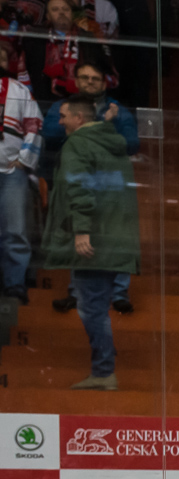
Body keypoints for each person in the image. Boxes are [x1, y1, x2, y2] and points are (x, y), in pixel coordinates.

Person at [43, 94, 137, 391]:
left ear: (79, 118)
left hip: (93, 243)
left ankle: (104, 371)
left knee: (92, 309)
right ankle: (104, 362)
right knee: (97, 307)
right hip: (115, 240)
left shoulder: (79, 143)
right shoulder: (110, 141)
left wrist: (81, 231)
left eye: (63, 116)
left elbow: (79, 187)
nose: (60, 122)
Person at [43, 59, 135, 314]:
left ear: (104, 83)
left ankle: (119, 293)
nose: (90, 83)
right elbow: (49, 134)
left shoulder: (118, 109)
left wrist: (105, 125)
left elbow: (131, 143)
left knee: (116, 232)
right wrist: (92, 124)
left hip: (110, 182)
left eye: (96, 79)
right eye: (85, 78)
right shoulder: (63, 107)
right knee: (79, 228)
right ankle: (76, 291)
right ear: (76, 81)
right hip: (76, 174)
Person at [0, 40, 42, 304]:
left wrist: (25, 160)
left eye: (2, 58)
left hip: (11, 171)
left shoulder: (19, 90)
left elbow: (34, 125)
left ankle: (14, 283)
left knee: (15, 230)